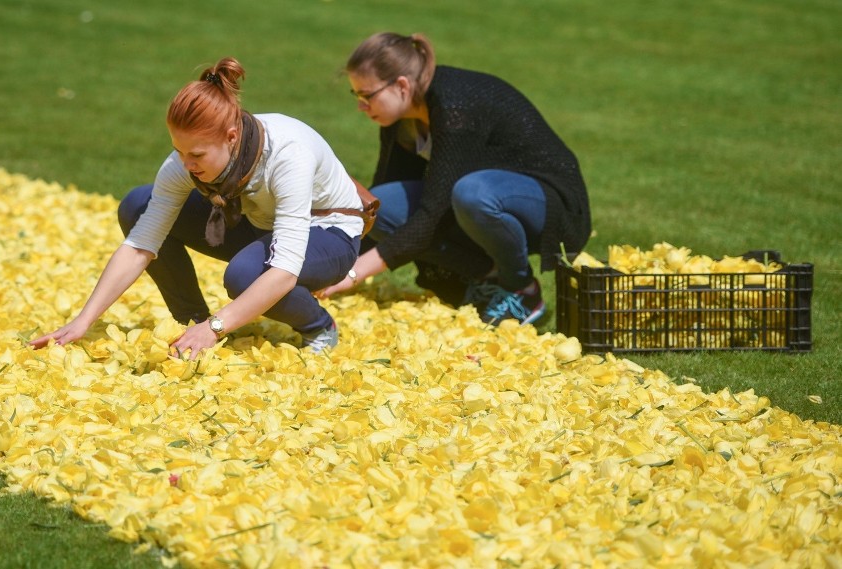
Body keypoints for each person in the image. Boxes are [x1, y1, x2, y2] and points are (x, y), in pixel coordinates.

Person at [30, 57, 365, 357]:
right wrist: (82, 321)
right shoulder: (187, 160)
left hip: (327, 232)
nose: (186, 164)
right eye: (179, 151)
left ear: (232, 137)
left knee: (246, 274)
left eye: (197, 156)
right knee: (136, 206)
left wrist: (218, 327)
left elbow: (284, 270)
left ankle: (318, 326)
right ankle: (193, 322)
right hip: (256, 219)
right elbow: (140, 245)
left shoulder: (288, 155)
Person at [319, 32, 591, 326]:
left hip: (551, 204)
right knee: (384, 206)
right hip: (485, 204)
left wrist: (353, 274)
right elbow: (377, 210)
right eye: (356, 95)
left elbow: (432, 216)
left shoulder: (454, 107)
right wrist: (327, 266)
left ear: (401, 86)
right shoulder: (400, 118)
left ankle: (522, 289)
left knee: (472, 193)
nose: (361, 105)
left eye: (367, 95)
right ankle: (488, 276)